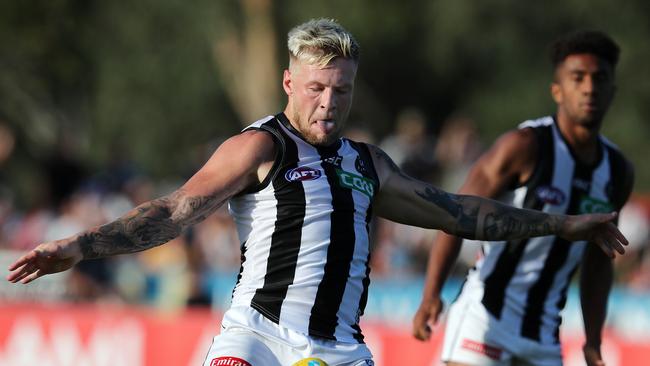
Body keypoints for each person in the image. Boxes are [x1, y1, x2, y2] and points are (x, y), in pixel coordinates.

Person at [7, 20, 628, 366]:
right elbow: (175, 210)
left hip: (340, 351)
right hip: (258, 338)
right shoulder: (262, 147)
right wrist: (82, 247)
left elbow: (460, 213)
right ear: (288, 81)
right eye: (316, 89)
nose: (329, 103)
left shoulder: (367, 163)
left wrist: (562, 225)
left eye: (342, 90)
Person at [412, 30, 634, 366]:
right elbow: (456, 213)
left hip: (544, 336)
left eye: (599, 78)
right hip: (484, 319)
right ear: (557, 90)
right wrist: (431, 294)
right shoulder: (525, 146)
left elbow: (600, 260)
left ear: (611, 91)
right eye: (578, 78)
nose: (590, 88)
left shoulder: (617, 171)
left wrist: (593, 340)